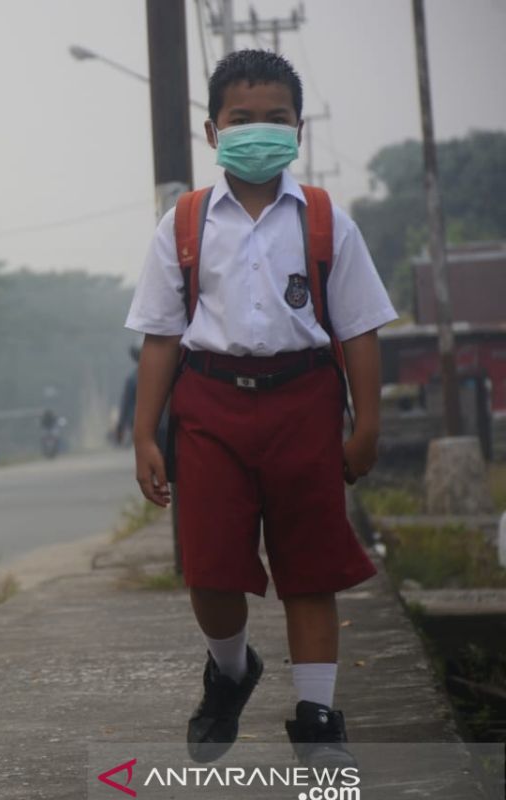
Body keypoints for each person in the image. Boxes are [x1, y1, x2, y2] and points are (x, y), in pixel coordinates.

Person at [124, 50, 396, 767]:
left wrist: (366, 425)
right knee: (213, 570)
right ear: (212, 131)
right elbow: (159, 336)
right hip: (209, 405)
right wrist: (143, 434)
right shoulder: (183, 224)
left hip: (304, 402)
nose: (258, 131)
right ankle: (232, 669)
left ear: (298, 128)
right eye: (241, 120)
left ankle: (317, 720)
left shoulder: (326, 220)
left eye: (275, 118)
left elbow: (361, 329)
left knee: (310, 566)